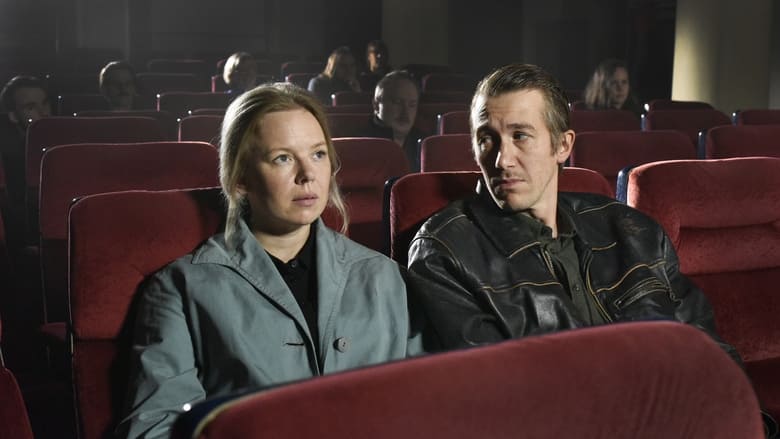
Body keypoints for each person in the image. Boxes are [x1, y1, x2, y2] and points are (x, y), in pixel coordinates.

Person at [406, 63, 778, 435]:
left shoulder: (630, 229)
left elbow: (709, 352)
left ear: (562, 145)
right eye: (486, 138)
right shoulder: (444, 250)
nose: (502, 160)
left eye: (520, 136)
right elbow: (499, 398)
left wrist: (743, 422)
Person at [117, 82, 420, 438]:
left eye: (318, 154)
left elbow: (424, 406)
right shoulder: (181, 288)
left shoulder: (384, 277)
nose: (308, 174)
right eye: (283, 158)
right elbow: (154, 429)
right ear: (240, 178)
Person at [0, 75, 51, 236]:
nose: (43, 112)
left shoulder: (68, 144)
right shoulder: (8, 158)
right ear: (13, 116)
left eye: (45, 103)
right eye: (30, 107)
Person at [367, 70, 424, 172]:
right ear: (376, 105)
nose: (405, 112)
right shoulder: (357, 145)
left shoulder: (425, 145)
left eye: (412, 105)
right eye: (397, 102)